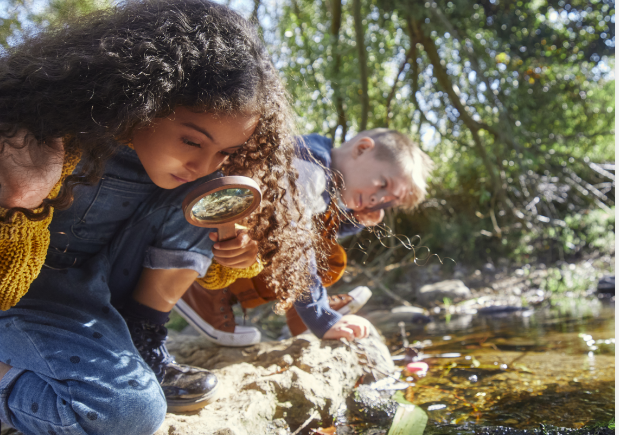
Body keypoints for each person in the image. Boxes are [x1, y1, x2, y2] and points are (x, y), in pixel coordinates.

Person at [0, 0, 316, 435]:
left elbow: (216, 272)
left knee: (204, 191)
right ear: (142, 98)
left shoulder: (202, 175)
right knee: (123, 417)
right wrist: (22, 196)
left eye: (226, 151)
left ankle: (144, 344)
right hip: (32, 300)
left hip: (109, 293)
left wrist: (234, 247)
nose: (206, 163)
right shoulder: (37, 140)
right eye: (192, 140)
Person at [174, 128, 434, 345]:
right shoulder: (310, 168)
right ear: (362, 148)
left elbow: (322, 230)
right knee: (303, 250)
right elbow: (296, 247)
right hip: (203, 242)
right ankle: (198, 293)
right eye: (383, 184)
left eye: (389, 201)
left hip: (231, 250)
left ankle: (298, 321)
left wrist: (356, 218)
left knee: (328, 256)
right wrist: (320, 317)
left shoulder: (326, 174)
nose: (379, 199)